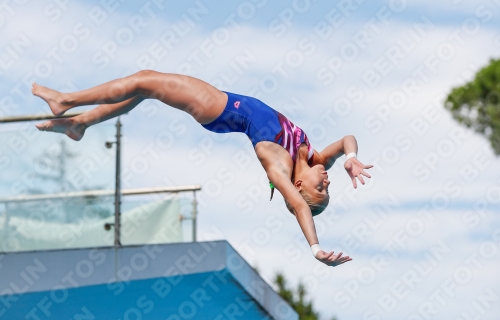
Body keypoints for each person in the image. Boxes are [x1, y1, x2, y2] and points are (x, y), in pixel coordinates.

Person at [33, 70, 372, 267]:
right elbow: (346, 139)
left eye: (321, 189)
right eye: (327, 186)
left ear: (298, 185)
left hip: (219, 108)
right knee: (145, 91)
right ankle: (82, 124)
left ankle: (66, 102)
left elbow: (299, 206)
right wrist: (351, 158)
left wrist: (314, 248)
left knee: (145, 79)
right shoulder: (313, 160)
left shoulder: (279, 167)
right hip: (224, 105)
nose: (326, 180)